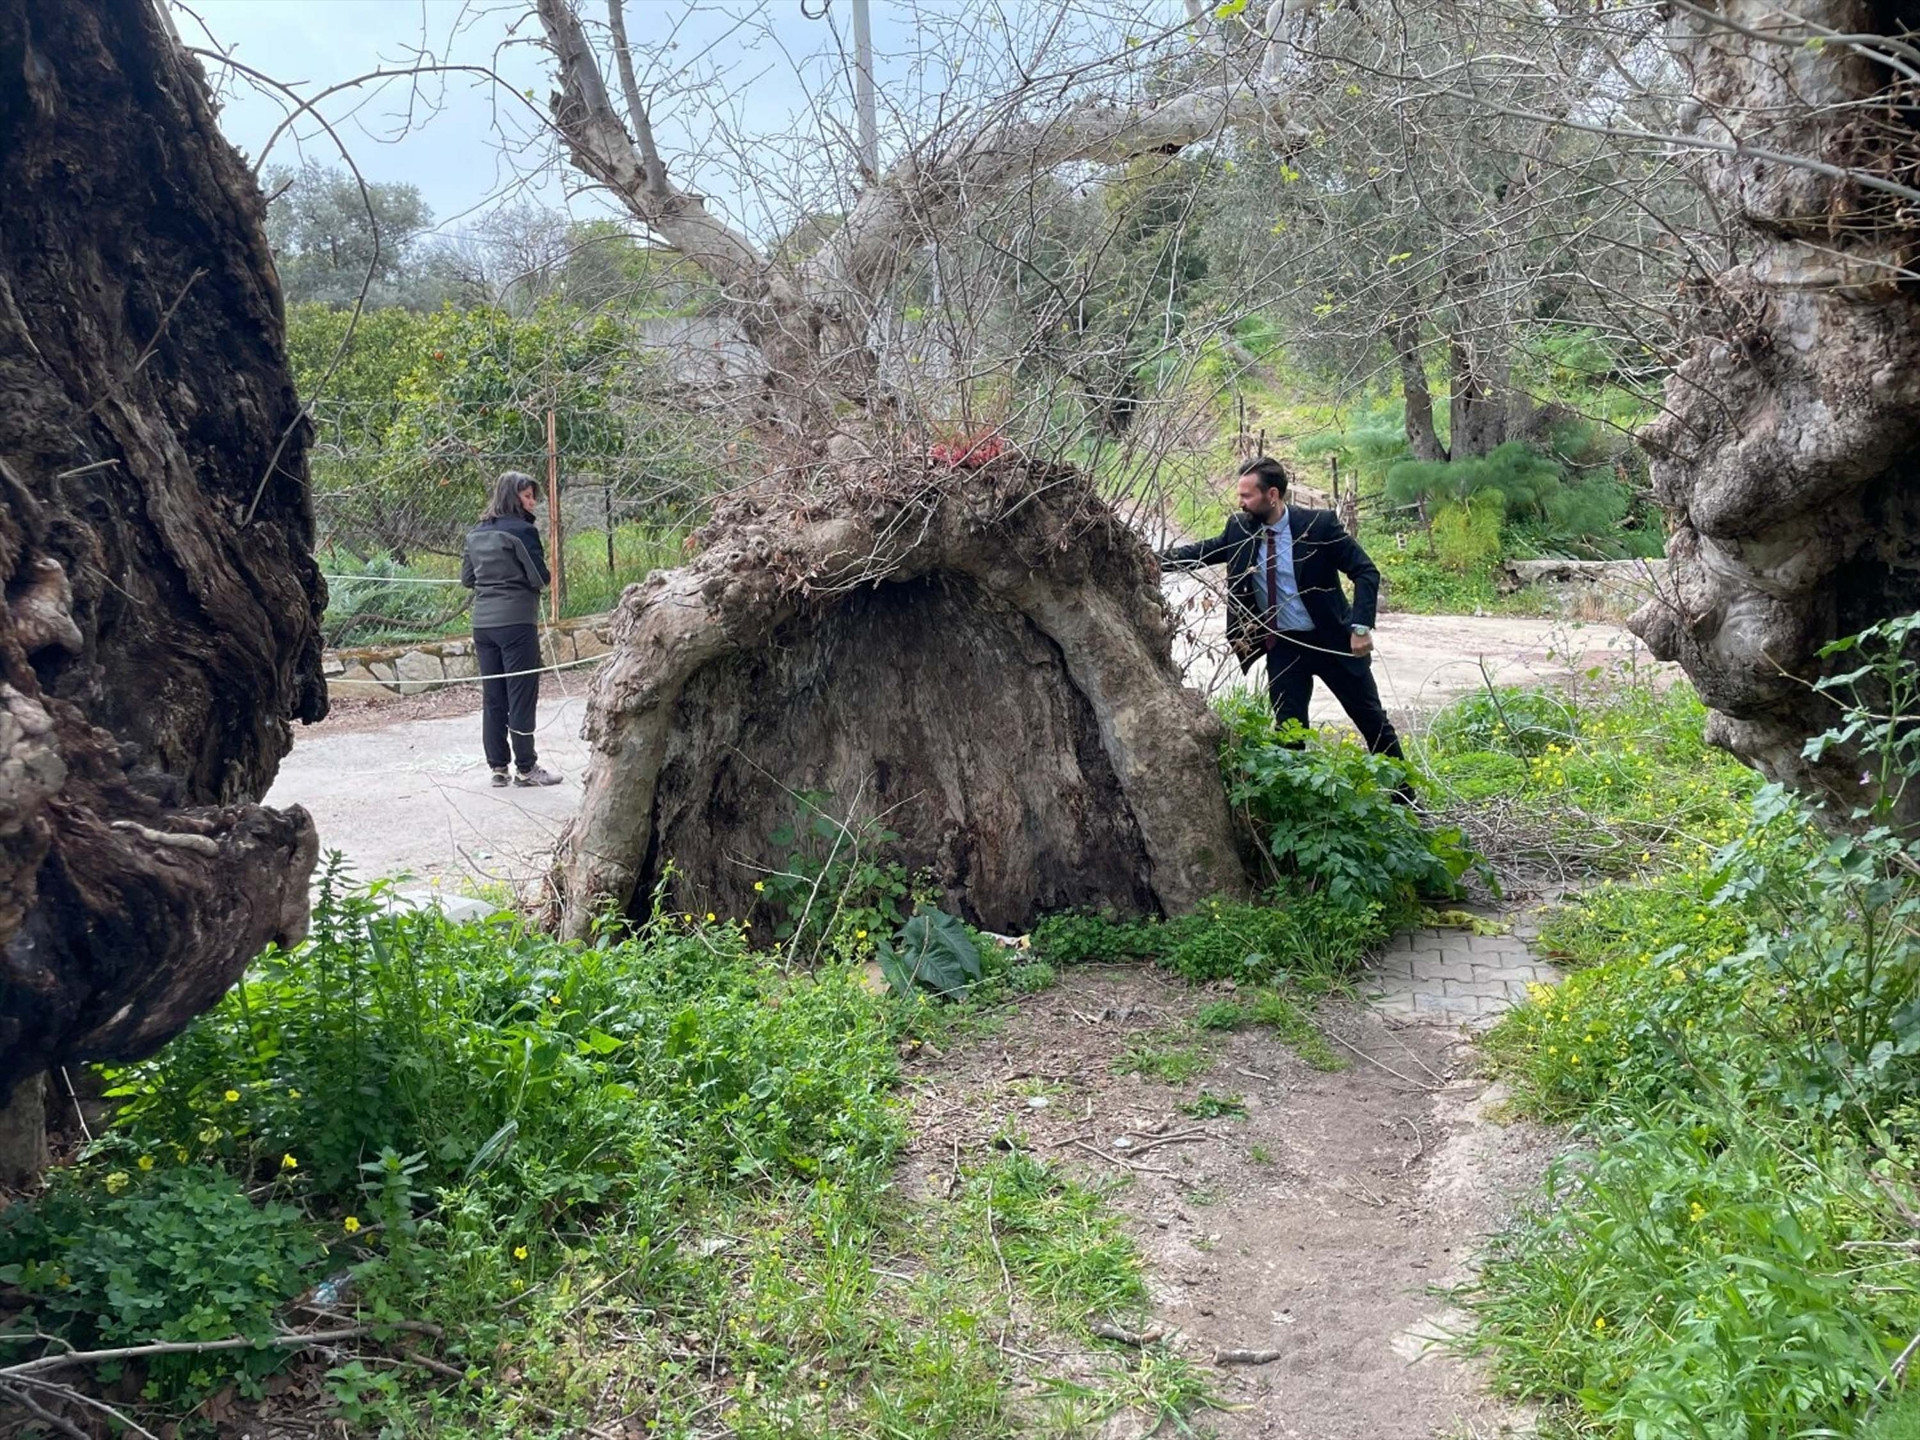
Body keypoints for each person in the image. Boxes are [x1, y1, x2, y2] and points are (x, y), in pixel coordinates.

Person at [1158, 455, 1404, 760]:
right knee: (1289, 734)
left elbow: (1366, 572)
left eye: (1247, 495)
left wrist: (1361, 627)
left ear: (1272, 495)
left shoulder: (1318, 526)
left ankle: (1406, 799)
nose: (1240, 502)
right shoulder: (1240, 529)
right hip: (1284, 647)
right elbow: (1202, 552)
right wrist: (1148, 558)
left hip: (1333, 642)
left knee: (1373, 722)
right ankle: (1297, 802)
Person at [460, 471, 563, 787]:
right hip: (517, 623)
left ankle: (498, 768)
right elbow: (539, 577)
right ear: (513, 497)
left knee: (493, 697)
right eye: (528, 496)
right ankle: (527, 768)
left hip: (483, 626)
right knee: (521, 695)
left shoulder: (475, 533)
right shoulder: (523, 532)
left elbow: (467, 579)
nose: (533, 503)